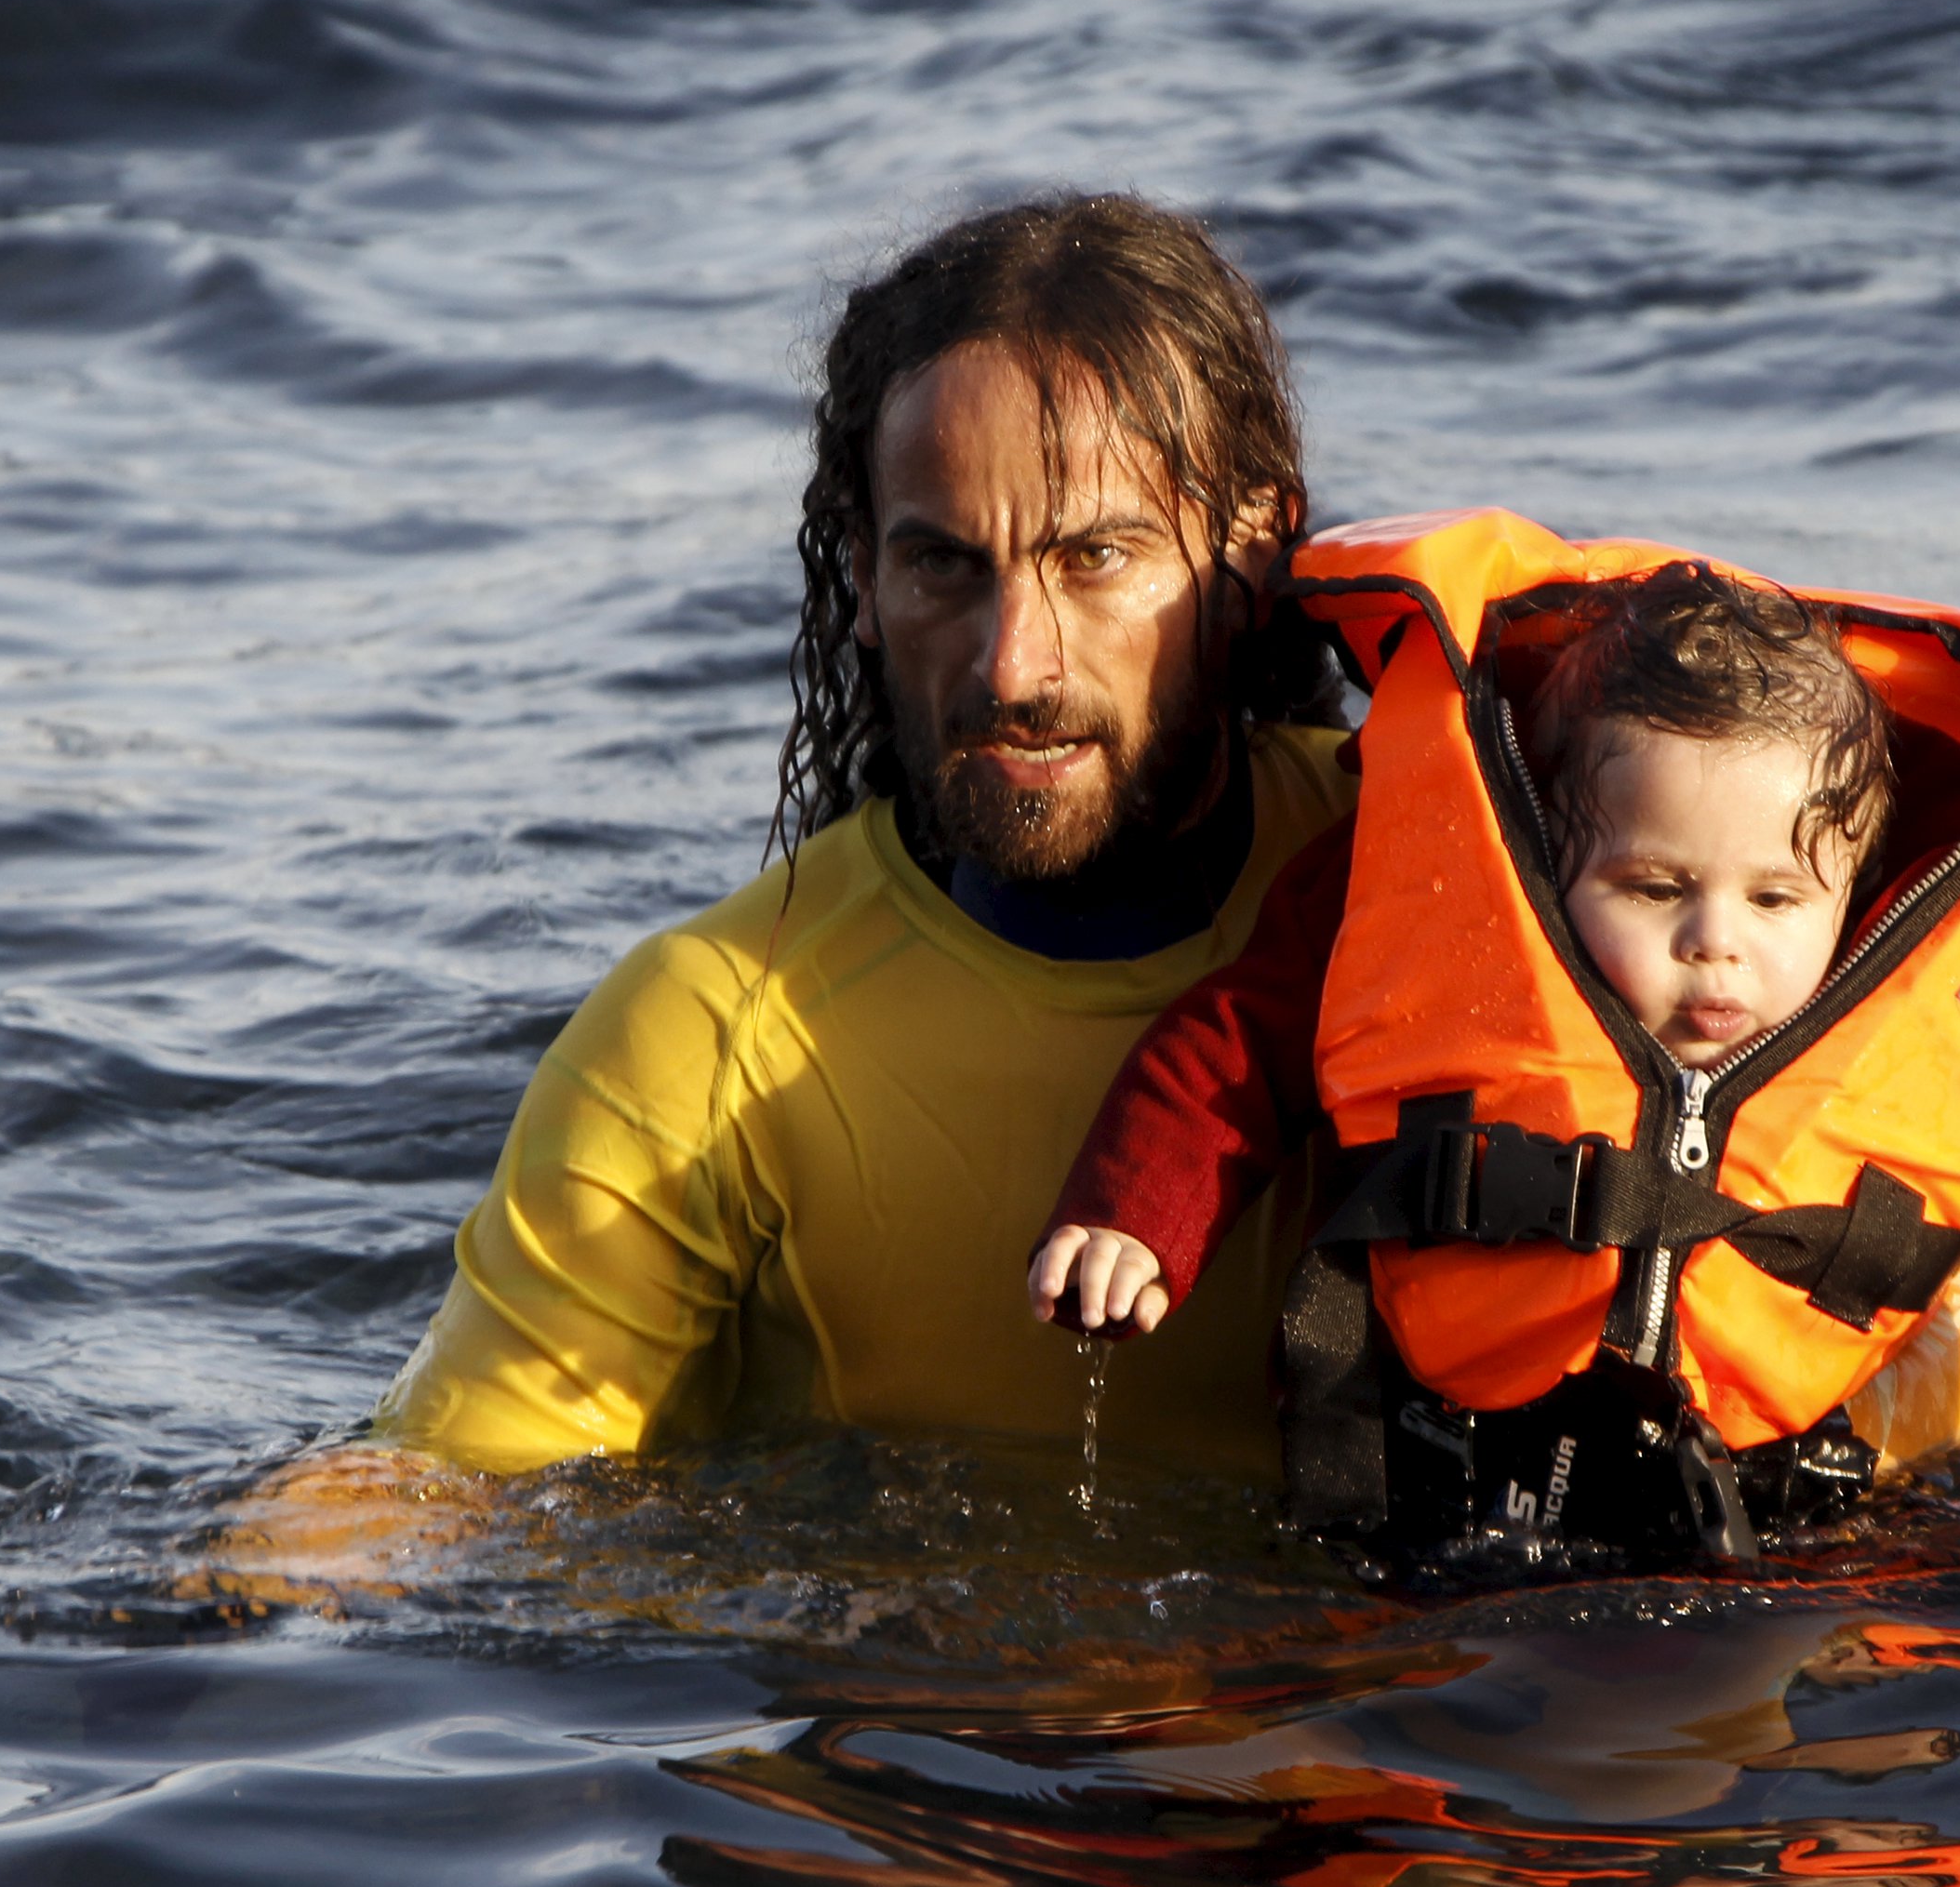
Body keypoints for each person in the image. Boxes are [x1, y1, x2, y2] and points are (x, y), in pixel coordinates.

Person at [371, 193, 1359, 1479]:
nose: (1013, 666)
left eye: (1097, 556)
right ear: (864, 584)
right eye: (945, 564)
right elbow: (442, 1507)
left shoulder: (1458, 886)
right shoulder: (709, 1038)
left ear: (1256, 551)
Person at [1028, 523, 1960, 1567]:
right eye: (1657, 887)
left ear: (1857, 882)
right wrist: (1136, 1216)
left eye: (1776, 901)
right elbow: (1237, 1044)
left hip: (1831, 1499)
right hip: (1453, 1478)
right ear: (1559, 849)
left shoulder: (1947, 969)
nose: (1717, 945)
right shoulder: (1430, 905)